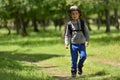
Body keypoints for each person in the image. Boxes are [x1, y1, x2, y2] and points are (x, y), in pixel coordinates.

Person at [64, 5, 90, 77]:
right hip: (73, 45)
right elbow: (67, 35)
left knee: (83, 56)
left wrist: (87, 40)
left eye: (76, 13)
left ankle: (80, 66)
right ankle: (73, 71)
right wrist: (66, 43)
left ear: (79, 14)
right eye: (73, 14)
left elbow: (86, 32)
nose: (74, 15)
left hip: (82, 44)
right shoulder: (69, 24)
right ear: (70, 14)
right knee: (74, 59)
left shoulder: (82, 23)